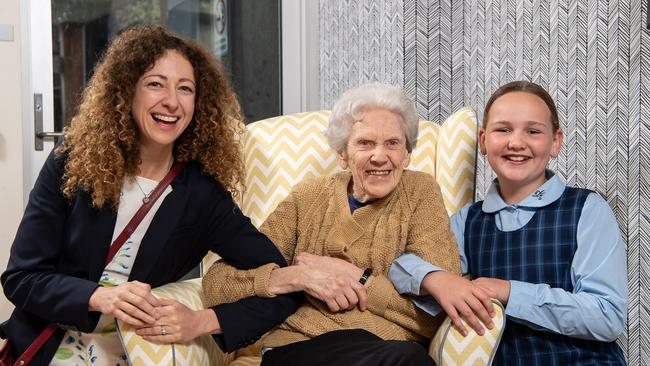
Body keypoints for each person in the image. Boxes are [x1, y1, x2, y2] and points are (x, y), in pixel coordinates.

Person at [0, 25, 300, 365]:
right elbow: (21, 278)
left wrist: (203, 321)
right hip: (46, 347)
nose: (171, 101)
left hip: (137, 353)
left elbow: (282, 281)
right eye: (155, 83)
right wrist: (99, 297)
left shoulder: (202, 195)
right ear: (127, 91)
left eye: (185, 88)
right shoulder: (72, 162)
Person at [201, 83, 462, 366]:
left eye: (393, 143)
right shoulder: (308, 196)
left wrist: (359, 279)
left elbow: (436, 311)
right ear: (342, 155)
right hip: (297, 348)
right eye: (364, 143)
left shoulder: (421, 193)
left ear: (407, 153)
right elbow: (217, 283)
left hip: (387, 351)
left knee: (408, 360)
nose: (379, 155)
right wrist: (299, 278)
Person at [390, 80, 627, 365]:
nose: (516, 142)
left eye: (533, 131)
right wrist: (436, 279)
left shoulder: (586, 210)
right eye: (503, 129)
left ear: (555, 142)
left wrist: (508, 291)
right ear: (483, 142)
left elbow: (607, 316)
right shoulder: (467, 222)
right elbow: (401, 266)